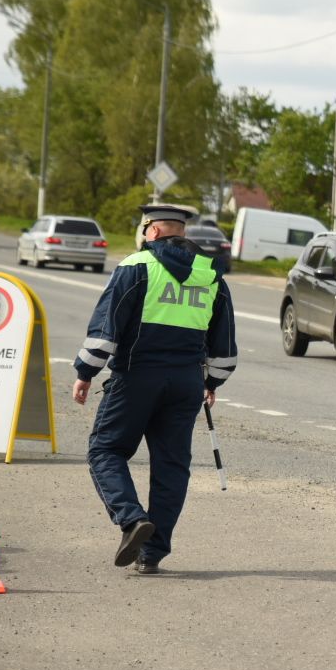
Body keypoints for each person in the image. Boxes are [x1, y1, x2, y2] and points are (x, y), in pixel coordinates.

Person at [72, 203, 238, 574]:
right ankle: (153, 552)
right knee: (172, 466)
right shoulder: (211, 276)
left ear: (152, 232)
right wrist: (212, 382)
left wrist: (85, 372)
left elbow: (106, 329)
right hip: (186, 384)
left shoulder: (136, 267)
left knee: (105, 450)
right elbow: (224, 343)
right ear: (182, 232)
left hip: (136, 377)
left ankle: (132, 521)